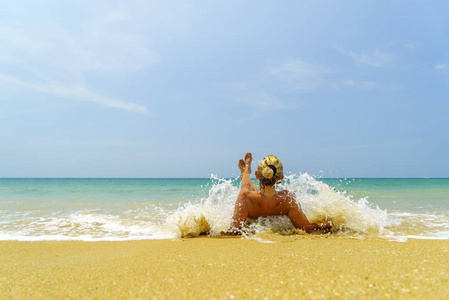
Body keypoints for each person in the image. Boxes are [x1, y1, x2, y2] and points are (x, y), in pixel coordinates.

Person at [223, 153, 329, 235]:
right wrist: (331, 225)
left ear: (257, 175)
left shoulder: (245, 198)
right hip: (264, 197)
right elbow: (307, 227)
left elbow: (233, 230)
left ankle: (246, 170)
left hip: (252, 199)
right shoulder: (288, 199)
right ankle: (245, 169)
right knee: (248, 186)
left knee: (246, 185)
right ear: (281, 179)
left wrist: (208, 231)